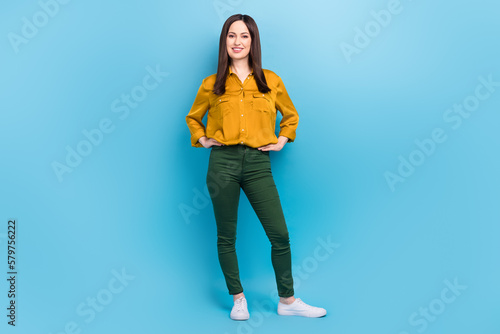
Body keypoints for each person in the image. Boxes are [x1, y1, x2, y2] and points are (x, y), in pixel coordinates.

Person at [185, 14, 327, 320]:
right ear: (225, 42)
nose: (238, 42)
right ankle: (238, 299)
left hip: (258, 163)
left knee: (279, 234)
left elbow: (290, 116)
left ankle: (287, 301)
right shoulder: (212, 84)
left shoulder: (270, 80)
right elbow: (193, 118)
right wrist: (203, 138)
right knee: (226, 236)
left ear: (253, 42)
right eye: (232, 36)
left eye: (244, 36)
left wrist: (282, 139)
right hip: (222, 163)